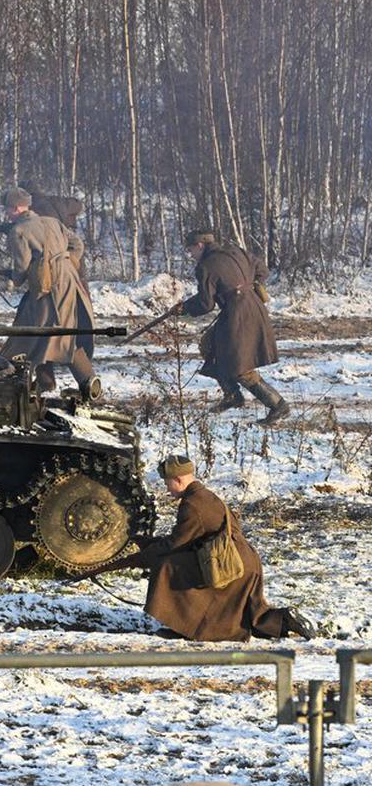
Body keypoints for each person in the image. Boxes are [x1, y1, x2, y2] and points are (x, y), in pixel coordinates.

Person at [132, 455, 314, 642]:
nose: (167, 489)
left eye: (167, 483)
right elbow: (187, 538)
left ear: (178, 480)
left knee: (168, 567)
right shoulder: (204, 496)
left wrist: (139, 557)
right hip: (244, 558)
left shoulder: (192, 504)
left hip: (229, 561)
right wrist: (148, 543)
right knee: (254, 615)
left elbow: (175, 544)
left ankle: (186, 628)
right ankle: (286, 619)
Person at [0, 186, 100, 400]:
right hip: (69, 285)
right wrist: (67, 263)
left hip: (46, 290)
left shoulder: (19, 231)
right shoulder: (51, 222)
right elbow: (77, 244)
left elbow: (21, 269)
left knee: (39, 334)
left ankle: (88, 384)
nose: (6, 213)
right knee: (53, 334)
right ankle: (47, 381)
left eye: (7, 209)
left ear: (16, 208)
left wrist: (14, 277)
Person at [178, 229, 289, 425]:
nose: (191, 255)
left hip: (239, 316)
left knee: (239, 366)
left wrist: (184, 308)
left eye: (191, 250)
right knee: (210, 345)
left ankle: (277, 405)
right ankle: (232, 396)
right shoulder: (236, 251)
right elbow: (262, 269)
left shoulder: (205, 266)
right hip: (252, 308)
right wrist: (250, 286)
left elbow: (206, 304)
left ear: (200, 245)